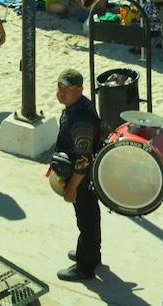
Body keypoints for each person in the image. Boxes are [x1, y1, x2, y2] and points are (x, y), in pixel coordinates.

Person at [53, 69, 102, 282]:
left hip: (84, 180)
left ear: (80, 90)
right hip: (86, 178)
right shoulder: (77, 105)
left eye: (68, 89)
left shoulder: (81, 119)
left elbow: (83, 160)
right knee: (90, 218)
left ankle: (85, 267)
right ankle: (91, 254)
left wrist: (72, 187)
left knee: (86, 221)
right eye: (60, 87)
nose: (62, 92)